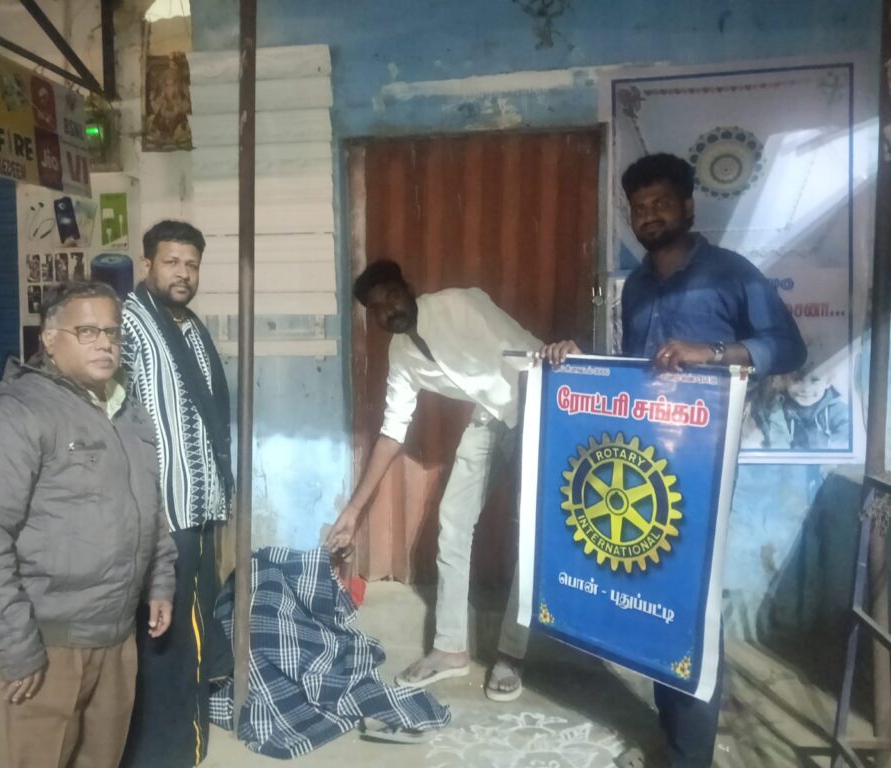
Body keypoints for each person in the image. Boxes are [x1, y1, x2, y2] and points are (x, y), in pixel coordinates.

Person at [545, 153, 806, 767]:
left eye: (661, 202)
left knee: (688, 606)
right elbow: (634, 376)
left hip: (702, 468)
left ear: (689, 206)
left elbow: (788, 347)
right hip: (642, 468)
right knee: (653, 598)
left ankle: (690, 754)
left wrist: (712, 352)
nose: (649, 215)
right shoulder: (637, 286)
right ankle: (671, 736)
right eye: (639, 207)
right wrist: (576, 362)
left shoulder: (730, 273)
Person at [0, 281, 177, 768]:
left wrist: (160, 580)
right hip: (47, 642)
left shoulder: (126, 411)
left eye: (112, 331)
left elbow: (149, 507)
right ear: (50, 340)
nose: (105, 343)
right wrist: (16, 645)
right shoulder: (15, 416)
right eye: (87, 331)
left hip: (116, 637)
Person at [327, 261, 540, 702]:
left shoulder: (458, 306)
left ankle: (511, 654)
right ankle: (449, 649)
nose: (389, 310)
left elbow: (526, 355)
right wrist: (353, 511)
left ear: (409, 288)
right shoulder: (402, 354)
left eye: (392, 297)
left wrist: (541, 434)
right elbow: (392, 431)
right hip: (489, 418)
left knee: (532, 533)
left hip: (534, 407)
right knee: (454, 521)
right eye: (377, 308)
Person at [120, 220, 234, 768]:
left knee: (191, 634)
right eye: (171, 262)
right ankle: (167, 754)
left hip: (199, 510)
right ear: (147, 264)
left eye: (191, 264)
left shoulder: (188, 326)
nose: (182, 273)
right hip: (165, 516)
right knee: (168, 642)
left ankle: (179, 744)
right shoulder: (129, 326)